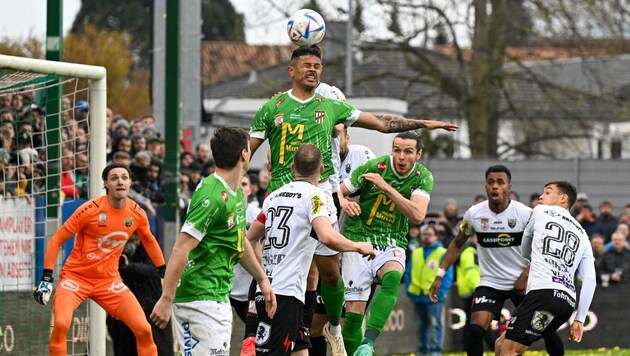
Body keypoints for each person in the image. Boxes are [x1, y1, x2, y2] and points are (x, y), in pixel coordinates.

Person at [249, 44, 458, 355]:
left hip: (320, 194)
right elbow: (246, 151)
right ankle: (264, 337)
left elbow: (383, 123)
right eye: (306, 65)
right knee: (280, 269)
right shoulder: (272, 108)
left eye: (317, 66)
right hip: (281, 196)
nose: (313, 70)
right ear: (291, 70)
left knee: (326, 271)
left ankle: (331, 326)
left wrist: (423, 124)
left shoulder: (331, 105)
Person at [150, 127, 276, 355]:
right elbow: (181, 247)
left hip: (217, 294)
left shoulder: (236, 192)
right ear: (244, 154)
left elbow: (238, 242)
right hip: (198, 297)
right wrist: (166, 298)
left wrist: (262, 279)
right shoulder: (211, 195)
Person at [248, 143, 375, 355]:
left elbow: (251, 239)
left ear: (292, 167)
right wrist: (358, 246)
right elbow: (326, 236)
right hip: (285, 294)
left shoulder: (273, 197)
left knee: (300, 351)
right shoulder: (316, 198)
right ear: (322, 169)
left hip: (272, 289)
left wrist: (263, 274)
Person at [429, 165, 565, 356]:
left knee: (546, 329)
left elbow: (543, 248)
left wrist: (526, 274)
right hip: (491, 282)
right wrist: (440, 274)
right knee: (475, 329)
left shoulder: (525, 214)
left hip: (523, 282)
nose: (495, 186)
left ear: (508, 187)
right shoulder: (475, 214)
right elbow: (456, 243)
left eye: (500, 182)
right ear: (486, 187)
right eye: (491, 182)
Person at [33, 163, 167, 356]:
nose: (120, 181)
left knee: (144, 330)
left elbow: (150, 241)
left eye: (124, 177)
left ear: (130, 182)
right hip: (76, 278)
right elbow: (56, 240)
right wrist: (46, 278)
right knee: (61, 324)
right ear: (106, 184)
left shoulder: (137, 213)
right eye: (114, 178)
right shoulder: (89, 210)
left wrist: (163, 271)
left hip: (108, 281)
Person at [339, 131, 435, 355]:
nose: (401, 157)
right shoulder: (374, 166)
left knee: (393, 276)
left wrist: (387, 188)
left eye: (408, 151)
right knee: (352, 320)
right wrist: (343, 201)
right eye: (397, 150)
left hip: (392, 240)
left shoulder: (423, 176)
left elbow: (418, 215)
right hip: (358, 238)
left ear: (418, 154)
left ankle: (369, 341)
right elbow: (339, 189)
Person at [494, 181, 596, 355]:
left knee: (509, 351)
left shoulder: (540, 210)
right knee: (500, 344)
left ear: (563, 198)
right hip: (566, 303)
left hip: (543, 293)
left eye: (548, 192)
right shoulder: (584, 234)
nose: (541, 196)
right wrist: (579, 319)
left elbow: (525, 250)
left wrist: (535, 255)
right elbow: (590, 279)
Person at [107, 234, 174, 356]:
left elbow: (156, 270)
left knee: (159, 347)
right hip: (125, 308)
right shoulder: (116, 246)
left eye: (136, 240)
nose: (133, 244)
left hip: (150, 306)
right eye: (130, 240)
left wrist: (129, 266)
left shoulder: (149, 246)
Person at [404, 224, 453, 356]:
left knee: (435, 325)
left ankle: (435, 352)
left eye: (430, 234)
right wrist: (409, 290)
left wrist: (440, 293)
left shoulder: (443, 253)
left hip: (434, 297)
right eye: (424, 234)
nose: (426, 237)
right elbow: (408, 272)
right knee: (421, 327)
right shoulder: (416, 252)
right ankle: (422, 351)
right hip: (417, 296)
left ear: (436, 237)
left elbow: (448, 276)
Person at [453, 232, 497, 351]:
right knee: (482, 322)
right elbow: (471, 273)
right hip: (473, 291)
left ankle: (466, 348)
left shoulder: (469, 251)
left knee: (472, 323)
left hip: (468, 291)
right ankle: (494, 346)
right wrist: (479, 290)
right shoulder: (470, 252)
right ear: (472, 237)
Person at [230, 174, 263, 323]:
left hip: (252, 287)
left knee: (253, 334)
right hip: (228, 288)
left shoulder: (258, 215)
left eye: (243, 184)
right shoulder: (225, 213)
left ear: (250, 190)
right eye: (237, 183)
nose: (240, 187)